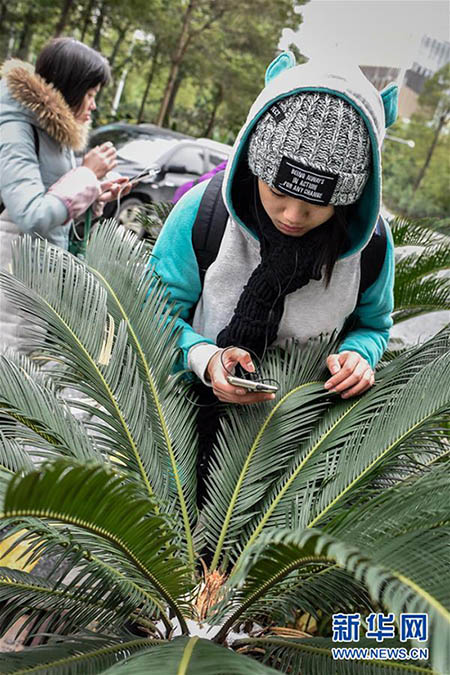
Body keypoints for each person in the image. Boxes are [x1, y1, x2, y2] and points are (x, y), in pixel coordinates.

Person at [150, 53, 397, 498]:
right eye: (279, 191)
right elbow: (149, 312)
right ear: (256, 164)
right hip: (177, 440)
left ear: (347, 198)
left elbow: (373, 324)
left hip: (290, 468)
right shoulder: (204, 214)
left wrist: (359, 356)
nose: (292, 216)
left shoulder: (373, 248)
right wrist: (204, 359)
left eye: (317, 204)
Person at [0, 37, 130, 351]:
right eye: (90, 95)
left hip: (34, 279)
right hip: (11, 278)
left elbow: (55, 196)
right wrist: (86, 174)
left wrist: (96, 193)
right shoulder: (16, 128)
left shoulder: (53, 131)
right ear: (70, 88)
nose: (94, 105)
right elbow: (31, 214)